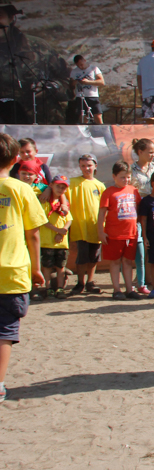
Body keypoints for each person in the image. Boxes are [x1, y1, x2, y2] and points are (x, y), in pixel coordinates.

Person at [0, 132, 47, 403]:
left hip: (13, 272)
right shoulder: (21, 189)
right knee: (5, 332)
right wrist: (36, 268)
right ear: (15, 160)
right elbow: (34, 234)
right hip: (13, 270)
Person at [98, 161, 142, 300]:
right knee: (115, 262)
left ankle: (129, 289)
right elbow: (102, 213)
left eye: (128, 177)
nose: (126, 180)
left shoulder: (133, 190)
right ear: (114, 176)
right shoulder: (108, 192)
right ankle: (117, 289)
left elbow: (138, 209)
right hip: (114, 234)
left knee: (128, 262)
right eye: (122, 177)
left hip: (131, 233)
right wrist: (101, 231)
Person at [67, 154, 105, 295]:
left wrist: (103, 225)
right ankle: (80, 282)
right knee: (82, 256)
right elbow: (57, 186)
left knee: (94, 256)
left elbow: (104, 207)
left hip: (95, 226)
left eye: (89, 165)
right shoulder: (72, 182)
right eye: (83, 166)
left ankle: (90, 281)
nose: (86, 168)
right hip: (80, 227)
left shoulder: (100, 185)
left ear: (95, 166)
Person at [130, 138, 154, 295]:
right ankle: (139, 278)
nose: (152, 155)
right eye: (149, 152)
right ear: (140, 152)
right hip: (139, 209)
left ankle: (150, 278)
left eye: (153, 152)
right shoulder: (131, 170)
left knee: (153, 243)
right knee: (141, 244)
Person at [38, 175, 72, 299]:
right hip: (47, 241)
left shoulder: (64, 204)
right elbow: (42, 221)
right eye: (58, 186)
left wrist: (62, 232)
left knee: (61, 266)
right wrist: (57, 230)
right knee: (47, 266)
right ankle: (48, 289)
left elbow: (69, 219)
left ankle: (60, 288)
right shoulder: (44, 201)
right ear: (51, 185)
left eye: (63, 187)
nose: (60, 189)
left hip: (61, 243)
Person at [71, 54, 104, 124]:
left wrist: (88, 82)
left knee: (97, 115)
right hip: (80, 96)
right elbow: (71, 85)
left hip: (92, 96)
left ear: (84, 61)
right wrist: (75, 82)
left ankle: (101, 129)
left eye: (81, 64)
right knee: (83, 116)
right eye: (78, 66)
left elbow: (101, 82)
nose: (81, 67)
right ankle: (84, 129)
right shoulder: (74, 71)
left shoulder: (94, 68)